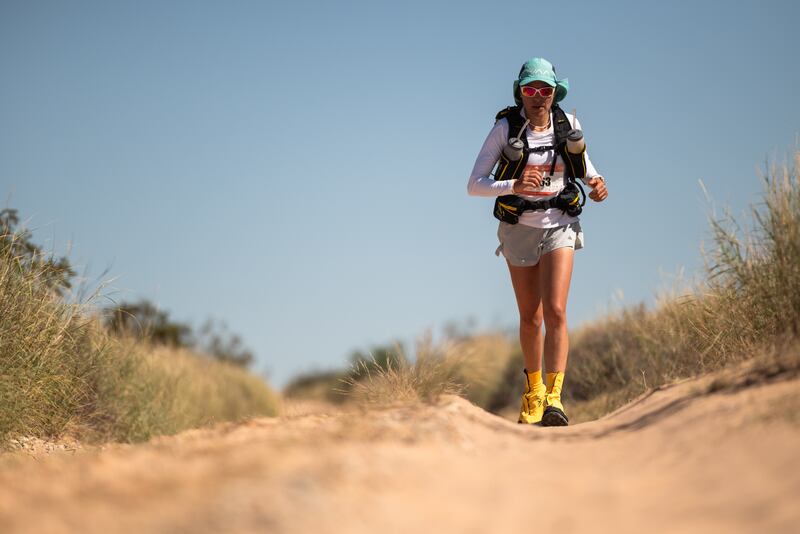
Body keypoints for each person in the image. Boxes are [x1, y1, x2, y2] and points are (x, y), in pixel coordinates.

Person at [467, 57, 608, 427]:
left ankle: (555, 400)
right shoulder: (505, 128)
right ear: (520, 92)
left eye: (544, 90)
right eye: (530, 89)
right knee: (531, 318)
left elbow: (588, 169)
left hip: (561, 222)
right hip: (519, 228)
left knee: (556, 311)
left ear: (554, 93)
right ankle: (533, 392)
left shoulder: (568, 125)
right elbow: (474, 184)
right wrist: (513, 185)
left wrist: (596, 185)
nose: (537, 97)